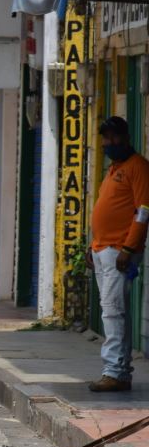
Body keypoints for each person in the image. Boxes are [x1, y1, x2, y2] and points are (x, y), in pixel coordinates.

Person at [87, 115, 149, 392]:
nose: (110, 142)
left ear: (126, 137)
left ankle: (114, 371)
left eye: (115, 137)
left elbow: (143, 211)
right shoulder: (114, 169)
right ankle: (119, 372)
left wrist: (129, 247)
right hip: (103, 249)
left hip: (119, 251)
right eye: (106, 138)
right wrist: (93, 245)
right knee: (112, 311)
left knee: (113, 312)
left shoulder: (138, 167)